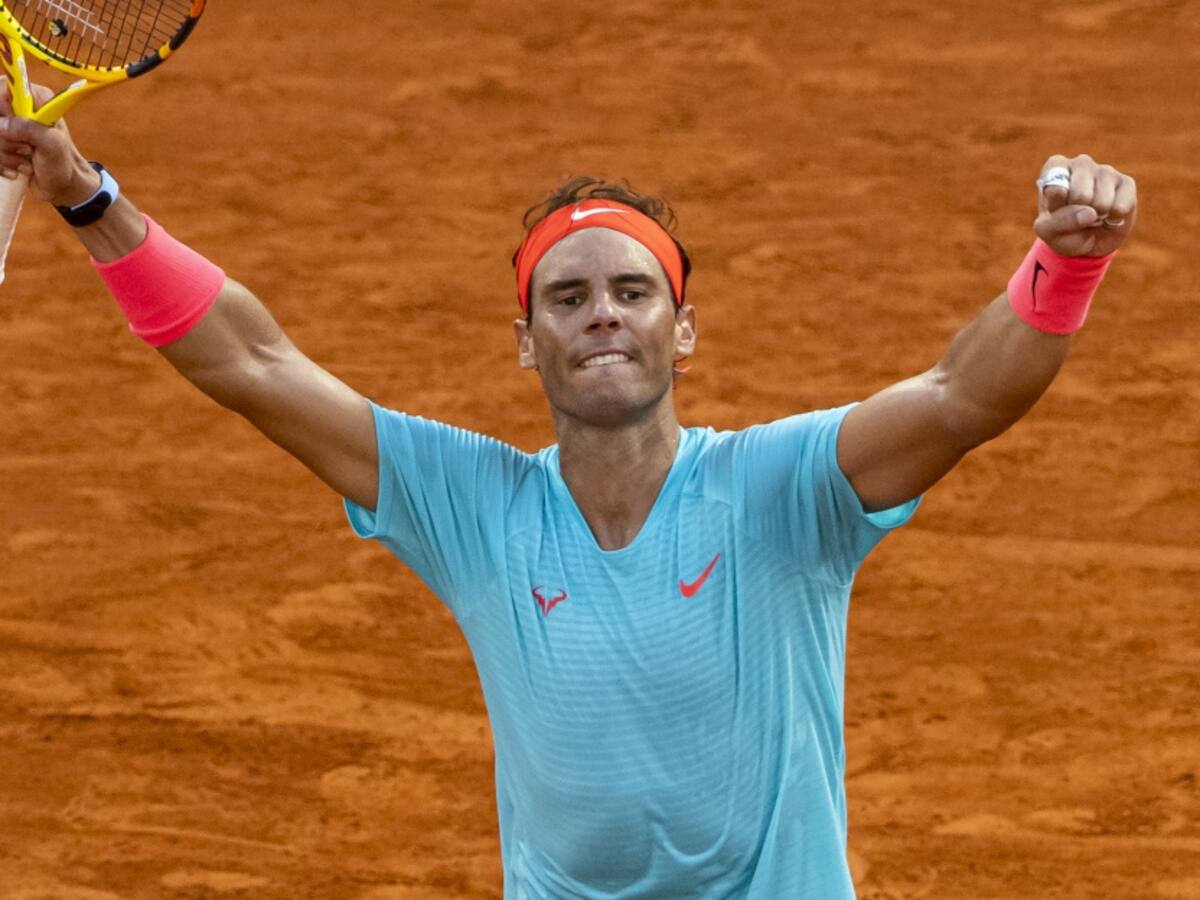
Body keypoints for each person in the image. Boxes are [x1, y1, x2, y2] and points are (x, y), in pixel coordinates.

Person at [0, 94, 1137, 897]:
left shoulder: (782, 488)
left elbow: (960, 397)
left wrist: (1067, 262)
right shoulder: (475, 503)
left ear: (681, 332)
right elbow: (254, 365)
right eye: (569, 296)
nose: (602, 312)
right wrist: (88, 197)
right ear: (525, 342)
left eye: (633, 291)